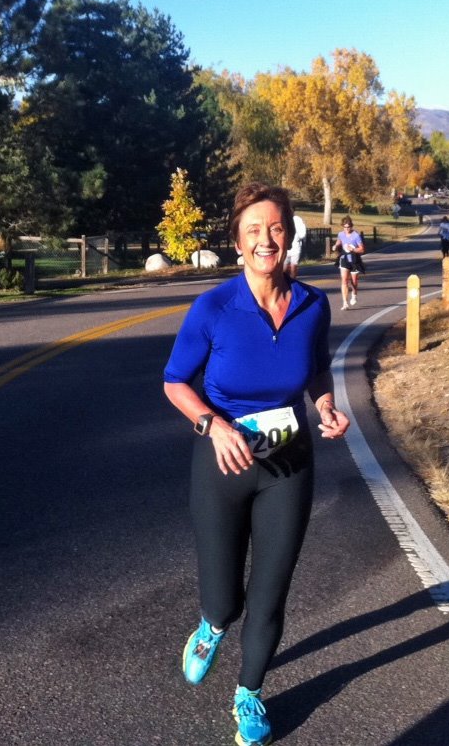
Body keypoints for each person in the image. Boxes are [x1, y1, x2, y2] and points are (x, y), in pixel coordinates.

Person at [163, 182, 350, 746]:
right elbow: (175, 382)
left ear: (289, 235)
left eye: (275, 228)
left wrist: (325, 405)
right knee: (227, 599)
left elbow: (316, 370)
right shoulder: (214, 308)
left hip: (288, 463)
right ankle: (213, 625)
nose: (266, 239)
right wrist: (212, 425)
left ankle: (249, 693)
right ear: (238, 243)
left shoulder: (313, 305)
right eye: (253, 230)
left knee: (270, 592)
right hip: (222, 461)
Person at [332, 215, 365, 310]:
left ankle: (354, 295)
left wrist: (353, 249)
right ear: (343, 226)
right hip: (344, 258)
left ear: (351, 226)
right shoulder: (341, 234)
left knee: (354, 281)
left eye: (348, 227)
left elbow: (362, 249)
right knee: (344, 280)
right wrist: (335, 246)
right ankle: (345, 303)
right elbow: (339, 241)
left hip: (354, 260)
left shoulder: (356, 236)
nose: (347, 229)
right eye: (345, 227)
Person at [284, 214, 306, 279]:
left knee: (291, 266)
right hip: (289, 247)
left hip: (294, 247)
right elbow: (302, 234)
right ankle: (287, 281)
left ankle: (291, 281)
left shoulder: (297, 219)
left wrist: (297, 238)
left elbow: (302, 234)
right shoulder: (283, 218)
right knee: (287, 266)